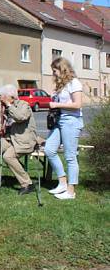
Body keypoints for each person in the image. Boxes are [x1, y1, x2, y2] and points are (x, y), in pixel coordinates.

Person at [44, 57, 83, 200]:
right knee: (49, 149)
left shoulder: (75, 83)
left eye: (55, 71)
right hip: (60, 120)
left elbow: (77, 104)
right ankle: (62, 183)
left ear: (62, 69)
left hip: (71, 121)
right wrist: (55, 99)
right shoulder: (62, 85)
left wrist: (57, 105)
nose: (53, 74)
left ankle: (71, 191)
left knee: (70, 157)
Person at [0, 84, 38, 194]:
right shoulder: (6, 108)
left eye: (1, 96)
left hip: (23, 141)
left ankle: (27, 184)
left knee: (8, 156)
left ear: (10, 96)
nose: (0, 99)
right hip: (11, 139)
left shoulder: (24, 105)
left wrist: (8, 106)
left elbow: (20, 117)